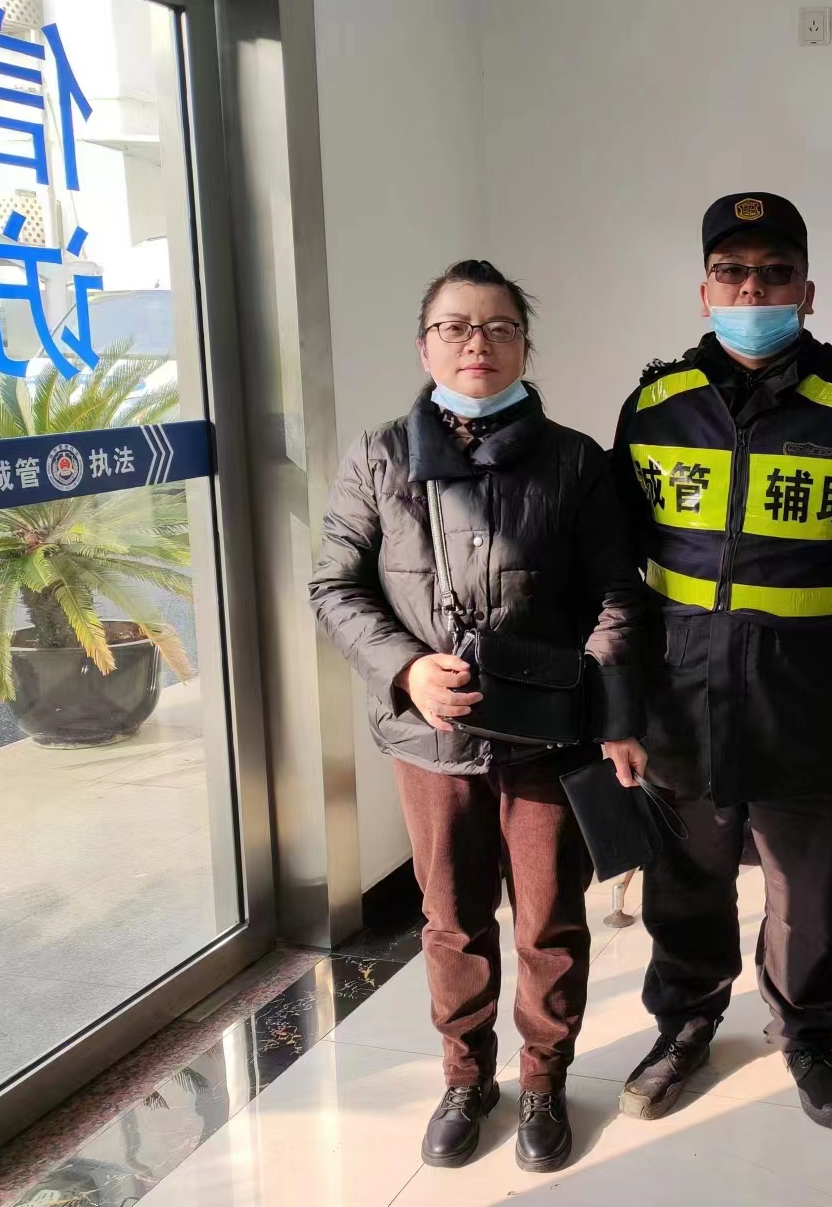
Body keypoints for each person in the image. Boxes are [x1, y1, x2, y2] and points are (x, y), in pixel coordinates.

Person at [309, 259, 647, 1175]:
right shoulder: (380, 457)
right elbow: (335, 584)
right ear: (424, 347)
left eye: (499, 327)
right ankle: (466, 1079)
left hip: (549, 736)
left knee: (548, 919)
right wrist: (406, 668)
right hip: (431, 739)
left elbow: (618, 594)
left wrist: (612, 715)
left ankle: (543, 1079)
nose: (477, 344)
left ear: (525, 346)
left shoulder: (576, 460)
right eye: (455, 327)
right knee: (452, 919)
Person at [608, 193, 832, 1130]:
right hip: (682, 694)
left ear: (807, 290)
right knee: (686, 884)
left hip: (810, 696)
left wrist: (811, 614)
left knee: (808, 897)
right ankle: (685, 1024)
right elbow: (619, 555)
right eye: (732, 273)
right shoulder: (657, 407)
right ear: (705, 291)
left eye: (774, 273)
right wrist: (623, 700)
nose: (752, 290)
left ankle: (806, 1033)